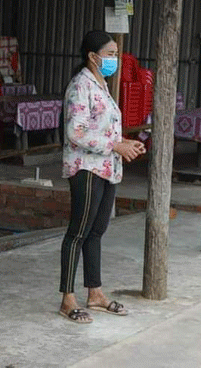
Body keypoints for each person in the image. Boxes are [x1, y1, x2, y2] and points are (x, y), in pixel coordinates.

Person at [59, 30, 146, 324]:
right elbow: (76, 132)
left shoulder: (102, 85)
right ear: (93, 56)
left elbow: (103, 128)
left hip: (107, 167)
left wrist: (125, 143)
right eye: (110, 54)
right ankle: (67, 298)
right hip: (86, 168)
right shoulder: (80, 85)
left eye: (116, 54)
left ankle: (95, 292)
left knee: (96, 231)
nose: (114, 59)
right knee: (78, 232)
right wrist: (116, 145)